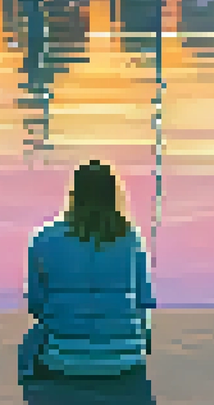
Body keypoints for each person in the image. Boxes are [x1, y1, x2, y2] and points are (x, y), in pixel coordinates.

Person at [19, 160, 155, 382]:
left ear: (73, 195)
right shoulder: (130, 238)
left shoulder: (44, 238)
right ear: (113, 196)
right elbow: (143, 301)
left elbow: (35, 304)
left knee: (27, 349)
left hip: (63, 357)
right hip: (125, 357)